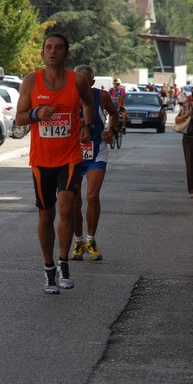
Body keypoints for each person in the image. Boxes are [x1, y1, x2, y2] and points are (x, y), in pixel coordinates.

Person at [15, 33, 95, 294]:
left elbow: (88, 103)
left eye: (58, 48)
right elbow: (19, 118)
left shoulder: (77, 81)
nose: (53, 52)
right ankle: (49, 269)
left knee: (67, 205)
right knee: (46, 214)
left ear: (66, 54)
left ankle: (64, 263)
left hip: (69, 157)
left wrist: (87, 125)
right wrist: (37, 114)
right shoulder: (31, 81)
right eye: (48, 47)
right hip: (41, 160)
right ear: (42, 53)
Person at [71, 65, 119, 262]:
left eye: (85, 81)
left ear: (91, 82)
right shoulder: (67, 96)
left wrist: (111, 131)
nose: (81, 84)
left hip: (97, 151)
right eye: (77, 80)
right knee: (73, 201)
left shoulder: (102, 96)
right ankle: (78, 240)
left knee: (92, 196)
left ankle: (91, 240)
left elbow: (114, 114)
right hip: (72, 153)